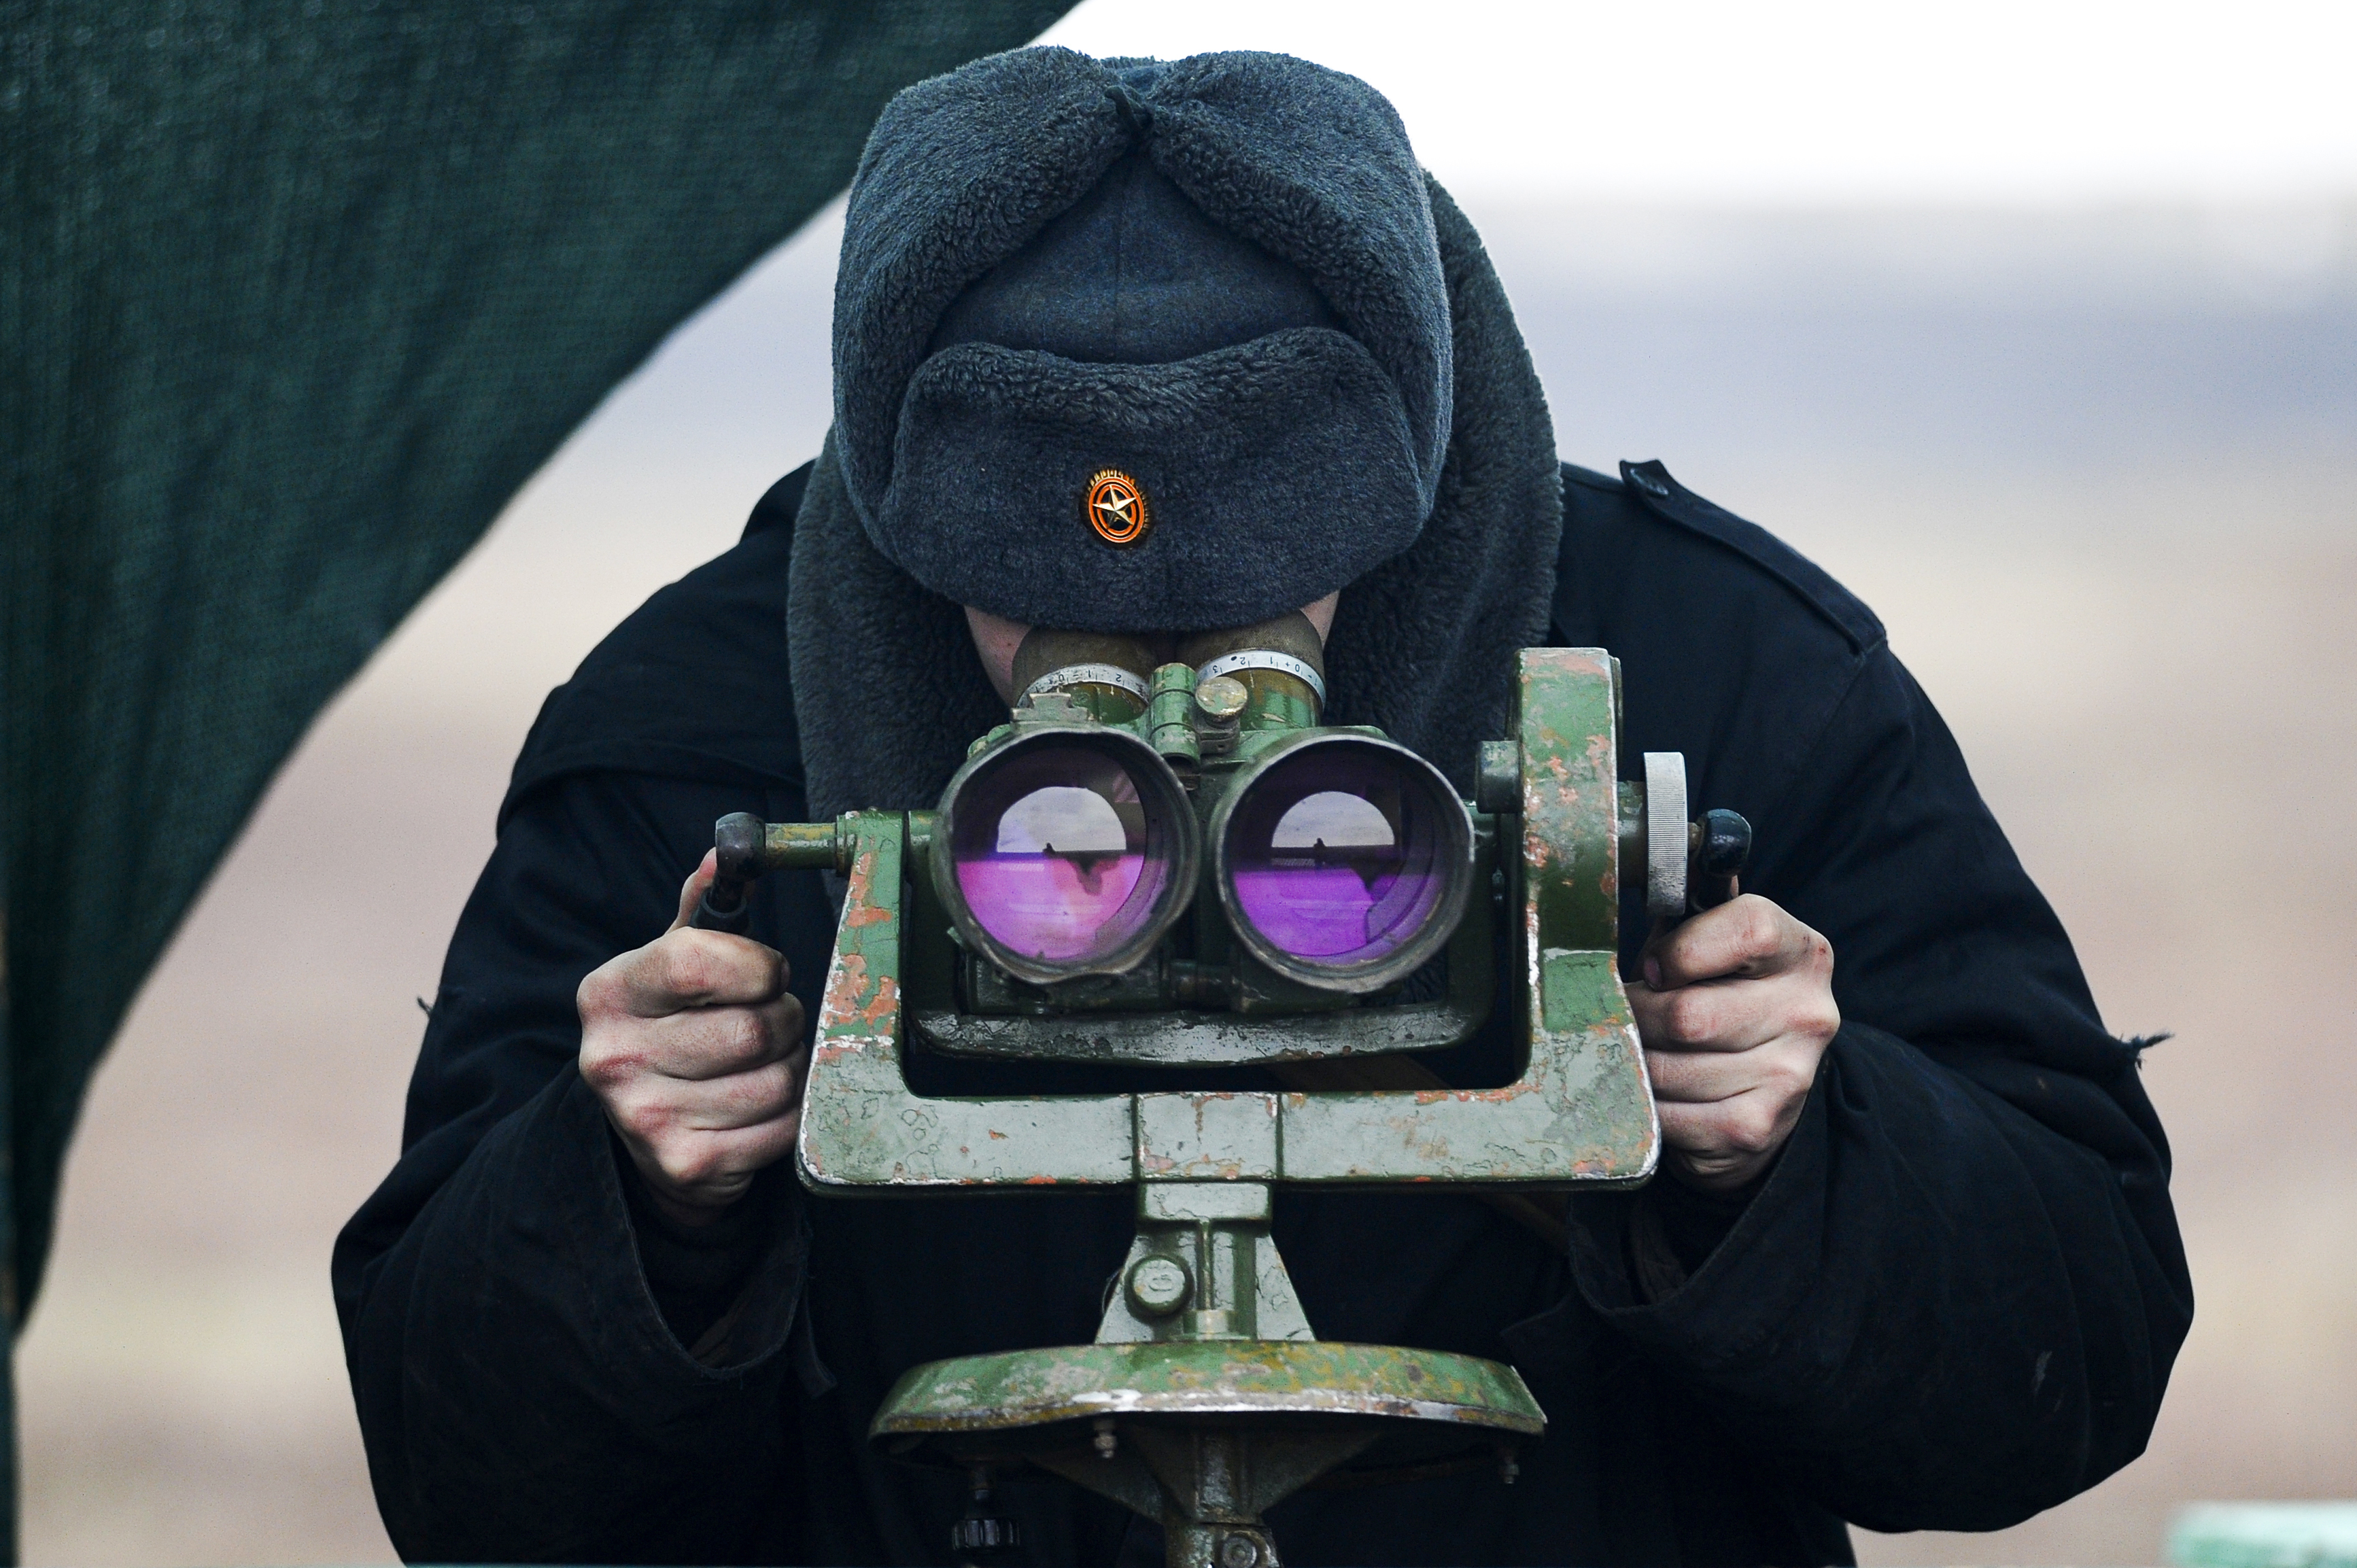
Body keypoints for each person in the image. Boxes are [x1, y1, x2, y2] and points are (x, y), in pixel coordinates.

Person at [333, 46, 2191, 1568]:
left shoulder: (1718, 677)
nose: (1161, 697)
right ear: (904, 521)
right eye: (1052, 633)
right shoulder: (696, 739)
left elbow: (2065, 1355)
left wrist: (1790, 1156)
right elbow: (465, 1475)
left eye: (1256, 614)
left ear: (1410, 484)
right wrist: (633, 1208)